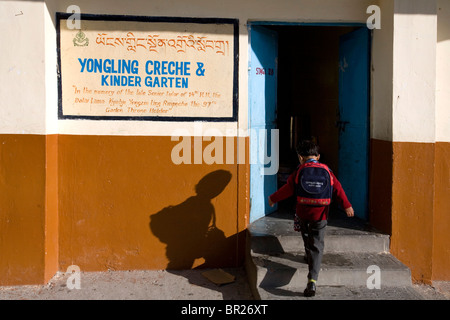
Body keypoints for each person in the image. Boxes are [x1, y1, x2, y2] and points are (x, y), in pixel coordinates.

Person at [268, 140, 354, 297]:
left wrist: (273, 198)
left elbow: (287, 189)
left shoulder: (299, 170)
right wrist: (347, 205)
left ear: (300, 157)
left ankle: (308, 254)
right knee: (317, 244)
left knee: (306, 234)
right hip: (320, 214)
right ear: (318, 156)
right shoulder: (327, 170)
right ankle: (312, 280)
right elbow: (338, 189)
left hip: (302, 213)